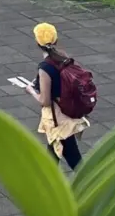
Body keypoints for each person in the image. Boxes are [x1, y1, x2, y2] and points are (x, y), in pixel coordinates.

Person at [26, 22, 88, 170]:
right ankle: (46, 184)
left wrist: (31, 90)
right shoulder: (64, 58)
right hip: (68, 112)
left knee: (73, 158)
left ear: (37, 43)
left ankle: (91, 185)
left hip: (57, 117)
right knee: (55, 152)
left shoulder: (45, 67)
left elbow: (45, 101)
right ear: (56, 40)